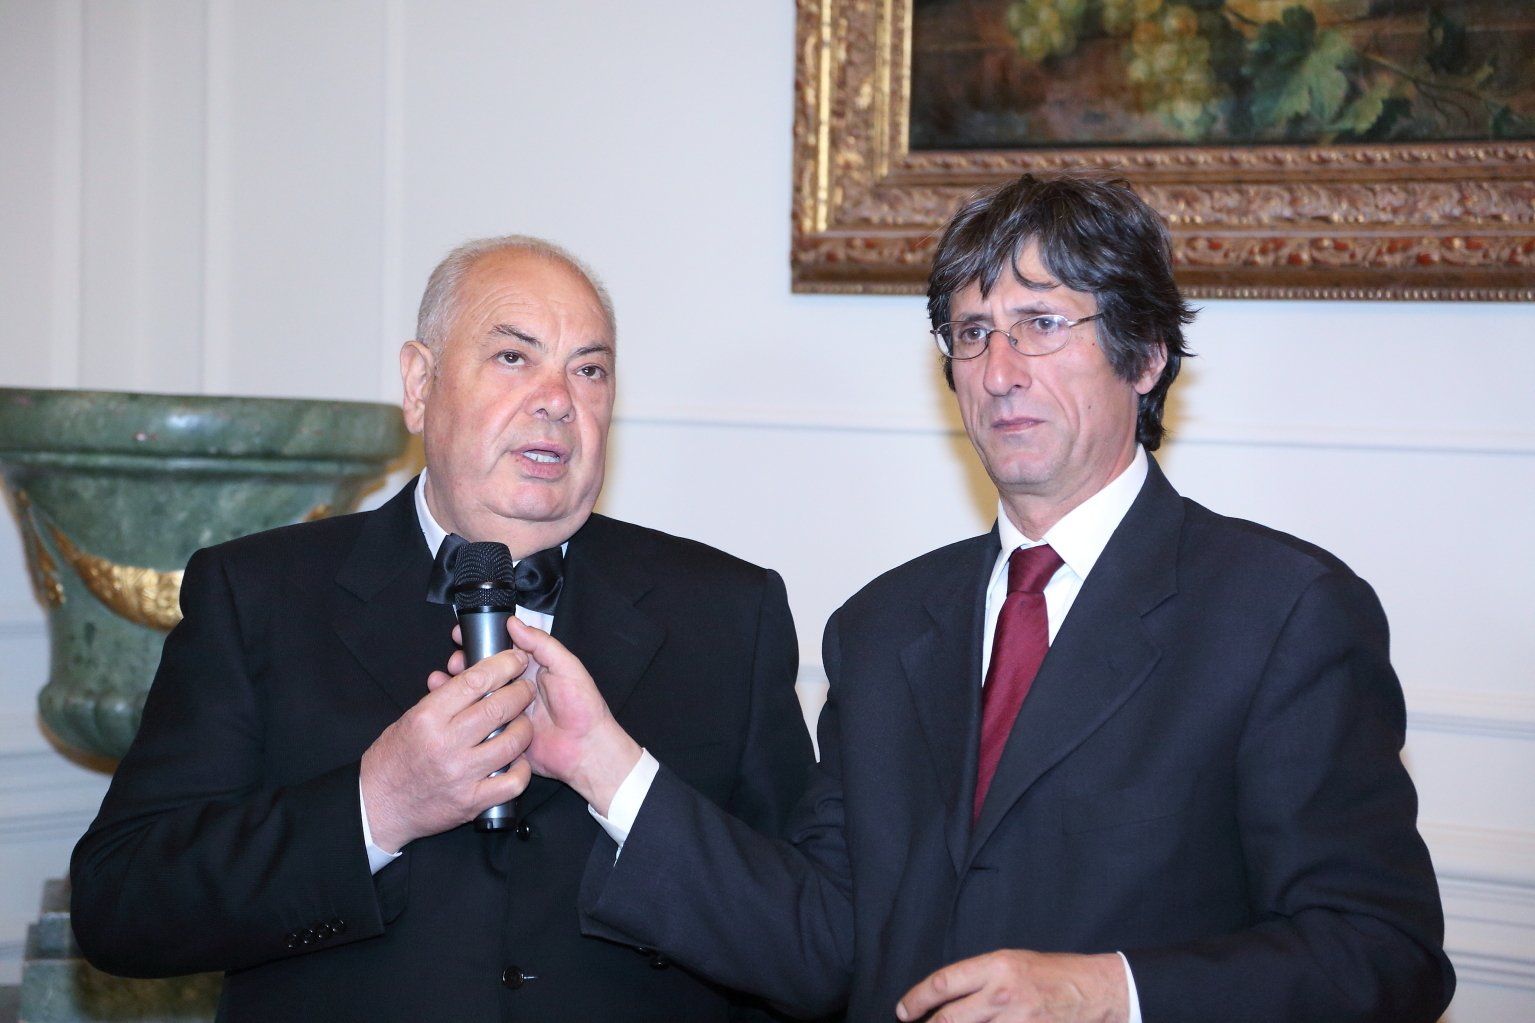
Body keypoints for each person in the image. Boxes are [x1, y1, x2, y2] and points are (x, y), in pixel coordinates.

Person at [508, 174, 1456, 1022]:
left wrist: (1109, 993)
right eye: (971, 333)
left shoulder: (1283, 612)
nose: (999, 372)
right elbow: (817, 944)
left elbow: (1382, 955)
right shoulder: (881, 628)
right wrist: (603, 763)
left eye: (1040, 323)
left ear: (1143, 356)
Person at [70, 236, 813, 1021]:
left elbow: (810, 942)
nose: (558, 400)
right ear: (419, 385)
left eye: (589, 370)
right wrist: (378, 803)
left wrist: (621, 783)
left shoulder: (728, 611)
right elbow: (122, 904)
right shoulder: (258, 594)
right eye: (513, 357)